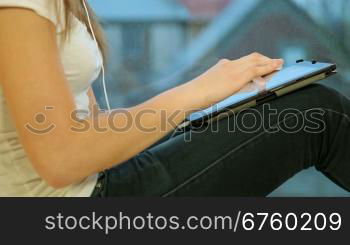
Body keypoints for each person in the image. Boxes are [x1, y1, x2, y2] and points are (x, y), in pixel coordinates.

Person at [0, 0, 349, 197]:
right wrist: (196, 92)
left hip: (96, 178)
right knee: (319, 113)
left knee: (264, 112)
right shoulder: (20, 7)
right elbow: (61, 159)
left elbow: (88, 126)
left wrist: (212, 98)